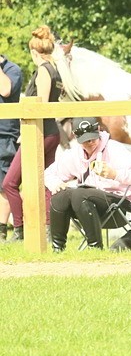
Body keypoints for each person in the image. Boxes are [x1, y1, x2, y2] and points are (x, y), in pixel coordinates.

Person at [45, 117, 131, 251]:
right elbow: (48, 173)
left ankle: (95, 248)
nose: (90, 143)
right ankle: (57, 249)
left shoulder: (113, 149)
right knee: (60, 196)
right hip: (86, 206)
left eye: (92, 138)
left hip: (120, 206)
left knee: (79, 194)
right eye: (85, 140)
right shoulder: (75, 154)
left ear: (98, 130)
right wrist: (56, 183)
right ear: (76, 138)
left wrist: (115, 174)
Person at [2, 25, 65, 242]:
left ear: (33, 52)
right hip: (50, 132)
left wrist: (26, 132)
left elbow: (41, 106)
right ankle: (49, 230)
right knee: (46, 182)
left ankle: (20, 229)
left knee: (9, 183)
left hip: (39, 133)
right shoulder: (56, 70)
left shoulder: (44, 71)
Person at [0, 52, 23, 240]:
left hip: (5, 135)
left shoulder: (12, 70)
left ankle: (3, 231)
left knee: (4, 185)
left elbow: (5, 90)